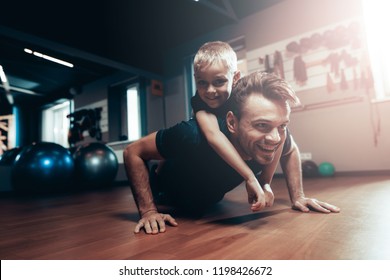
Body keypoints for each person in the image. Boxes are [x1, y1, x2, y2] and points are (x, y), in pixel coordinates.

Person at [123, 71, 340, 234]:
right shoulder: (191, 135)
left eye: (281, 125)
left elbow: (290, 148)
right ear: (231, 123)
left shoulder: (276, 137)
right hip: (167, 197)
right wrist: (149, 211)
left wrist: (298, 196)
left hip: (208, 202)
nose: (275, 137)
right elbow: (133, 151)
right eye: (262, 125)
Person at [159, 41, 277, 212]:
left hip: (210, 185)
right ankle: (158, 173)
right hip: (184, 162)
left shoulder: (242, 96)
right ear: (195, 80)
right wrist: (250, 177)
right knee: (171, 154)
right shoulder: (200, 101)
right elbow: (213, 135)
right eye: (202, 83)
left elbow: (284, 135)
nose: (210, 91)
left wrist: (265, 183)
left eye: (219, 81)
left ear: (235, 78)